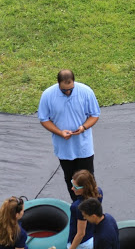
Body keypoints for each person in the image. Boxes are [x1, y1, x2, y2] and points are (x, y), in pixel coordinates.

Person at [38, 70, 100, 201]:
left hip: (84, 147)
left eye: (71, 89)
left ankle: (92, 207)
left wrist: (83, 127)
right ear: (58, 83)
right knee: (71, 180)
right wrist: (60, 132)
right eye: (64, 90)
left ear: (74, 82)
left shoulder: (86, 92)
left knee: (88, 179)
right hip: (64, 149)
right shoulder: (48, 95)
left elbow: (94, 115)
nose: (68, 92)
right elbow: (44, 119)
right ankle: (77, 207)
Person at [68, 170, 103, 249]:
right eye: (72, 184)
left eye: (76, 187)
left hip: (82, 244)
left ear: (85, 188)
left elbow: (81, 234)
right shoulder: (99, 193)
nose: (72, 188)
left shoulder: (78, 206)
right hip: (93, 235)